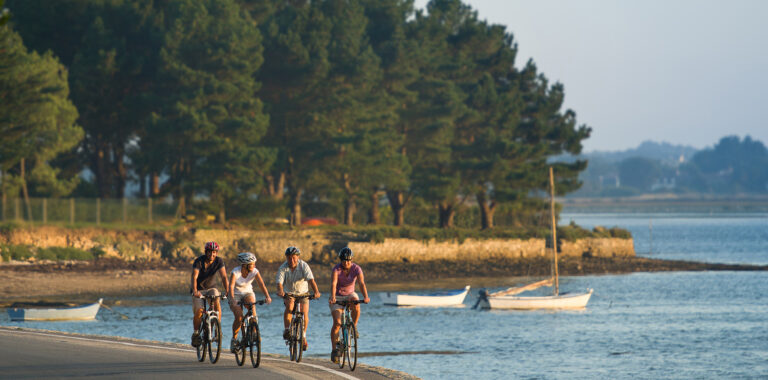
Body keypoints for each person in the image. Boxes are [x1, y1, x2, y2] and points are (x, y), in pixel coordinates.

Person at [328, 247, 369, 363]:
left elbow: (361, 283)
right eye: (344, 260)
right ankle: (334, 350)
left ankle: (353, 326)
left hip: (350, 294)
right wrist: (332, 297)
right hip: (337, 296)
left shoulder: (357, 269)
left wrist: (365, 296)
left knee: (356, 302)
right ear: (341, 260)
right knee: (337, 323)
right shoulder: (336, 269)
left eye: (349, 260)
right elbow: (333, 283)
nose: (346, 263)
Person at [275, 246, 321, 351]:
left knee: (304, 313)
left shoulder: (304, 266)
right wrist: (280, 291)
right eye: (289, 257)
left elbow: (311, 280)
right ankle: (287, 329)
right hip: (289, 293)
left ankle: (303, 336)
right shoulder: (283, 267)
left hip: (303, 293)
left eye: (294, 257)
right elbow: (279, 282)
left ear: (298, 257)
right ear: (286, 258)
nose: (292, 260)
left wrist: (316, 292)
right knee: (290, 306)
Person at [227, 252, 271, 352]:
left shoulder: (255, 271)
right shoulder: (235, 272)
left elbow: (262, 285)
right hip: (235, 294)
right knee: (239, 317)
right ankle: (234, 339)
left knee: (253, 310)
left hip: (248, 293)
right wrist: (232, 299)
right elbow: (231, 286)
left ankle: (254, 333)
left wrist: (267, 296)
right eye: (252, 264)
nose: (254, 265)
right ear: (245, 265)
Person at [190, 241, 229, 347]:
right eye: (210, 252)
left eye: (214, 252)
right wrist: (194, 290)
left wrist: (228, 291)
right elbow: (194, 276)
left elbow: (224, 277)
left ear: (216, 253)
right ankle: (196, 333)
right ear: (206, 252)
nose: (212, 255)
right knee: (199, 310)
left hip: (211, 288)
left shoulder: (219, 261)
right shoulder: (199, 261)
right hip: (198, 290)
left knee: (217, 300)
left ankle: (217, 328)